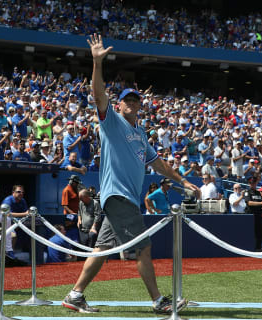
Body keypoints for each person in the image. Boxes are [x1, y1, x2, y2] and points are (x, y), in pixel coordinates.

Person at [62, 34, 199, 315]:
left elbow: (159, 164)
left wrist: (183, 180)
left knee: (101, 249)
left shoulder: (140, 134)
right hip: (119, 196)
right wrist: (97, 63)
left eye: (136, 101)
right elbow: (98, 94)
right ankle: (159, 301)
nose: (133, 104)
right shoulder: (111, 122)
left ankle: (75, 295)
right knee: (143, 248)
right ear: (120, 105)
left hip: (122, 198)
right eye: (128, 101)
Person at [244, 176, 262, 251]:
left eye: (253, 183)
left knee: (260, 232)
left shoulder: (259, 193)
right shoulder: (247, 192)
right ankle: (251, 248)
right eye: (250, 183)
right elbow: (249, 203)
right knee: (252, 233)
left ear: (256, 183)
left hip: (259, 215)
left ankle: (258, 248)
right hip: (251, 215)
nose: (252, 184)